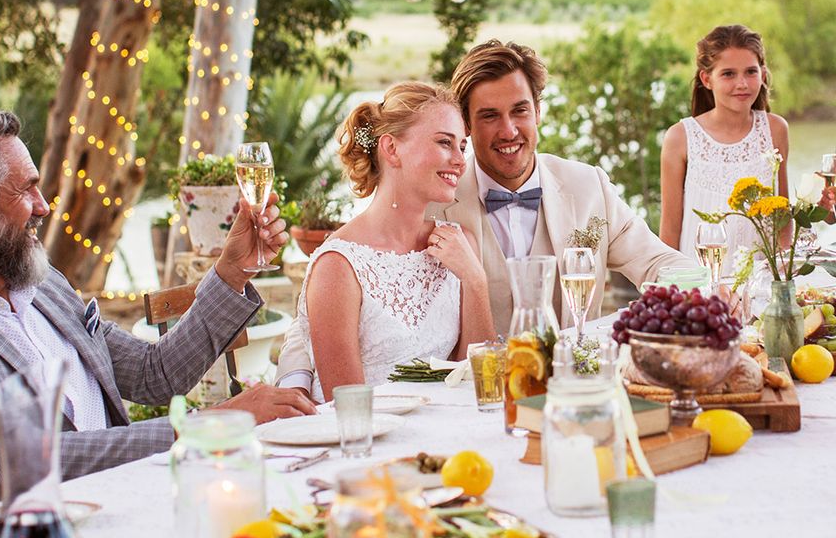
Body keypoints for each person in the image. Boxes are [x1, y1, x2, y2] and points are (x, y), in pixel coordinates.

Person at [0, 108, 315, 520]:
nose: (44, 207)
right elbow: (34, 457)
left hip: (126, 513)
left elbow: (155, 375)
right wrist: (215, 425)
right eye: (26, 191)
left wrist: (231, 271)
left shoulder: (41, 283)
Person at [276, 40, 693, 393]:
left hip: (566, 391)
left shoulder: (587, 187)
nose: (509, 130)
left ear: (538, 112)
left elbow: (657, 261)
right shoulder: (429, 193)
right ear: (468, 127)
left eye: (520, 111)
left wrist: (706, 289)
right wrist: (295, 382)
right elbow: (323, 306)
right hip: (478, 401)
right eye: (489, 116)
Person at [282, 82, 495, 403]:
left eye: (461, 147)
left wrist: (475, 280)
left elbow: (479, 381)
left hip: (448, 434)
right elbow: (348, 407)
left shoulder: (459, 243)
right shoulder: (338, 266)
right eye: (444, 143)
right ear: (392, 149)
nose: (460, 161)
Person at [660, 24, 790, 275]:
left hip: (761, 285)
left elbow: (783, 216)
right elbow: (669, 232)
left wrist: (781, 276)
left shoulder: (775, 130)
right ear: (707, 79)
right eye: (728, 74)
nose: (742, 83)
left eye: (750, 72)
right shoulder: (680, 137)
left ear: (763, 74)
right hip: (701, 287)